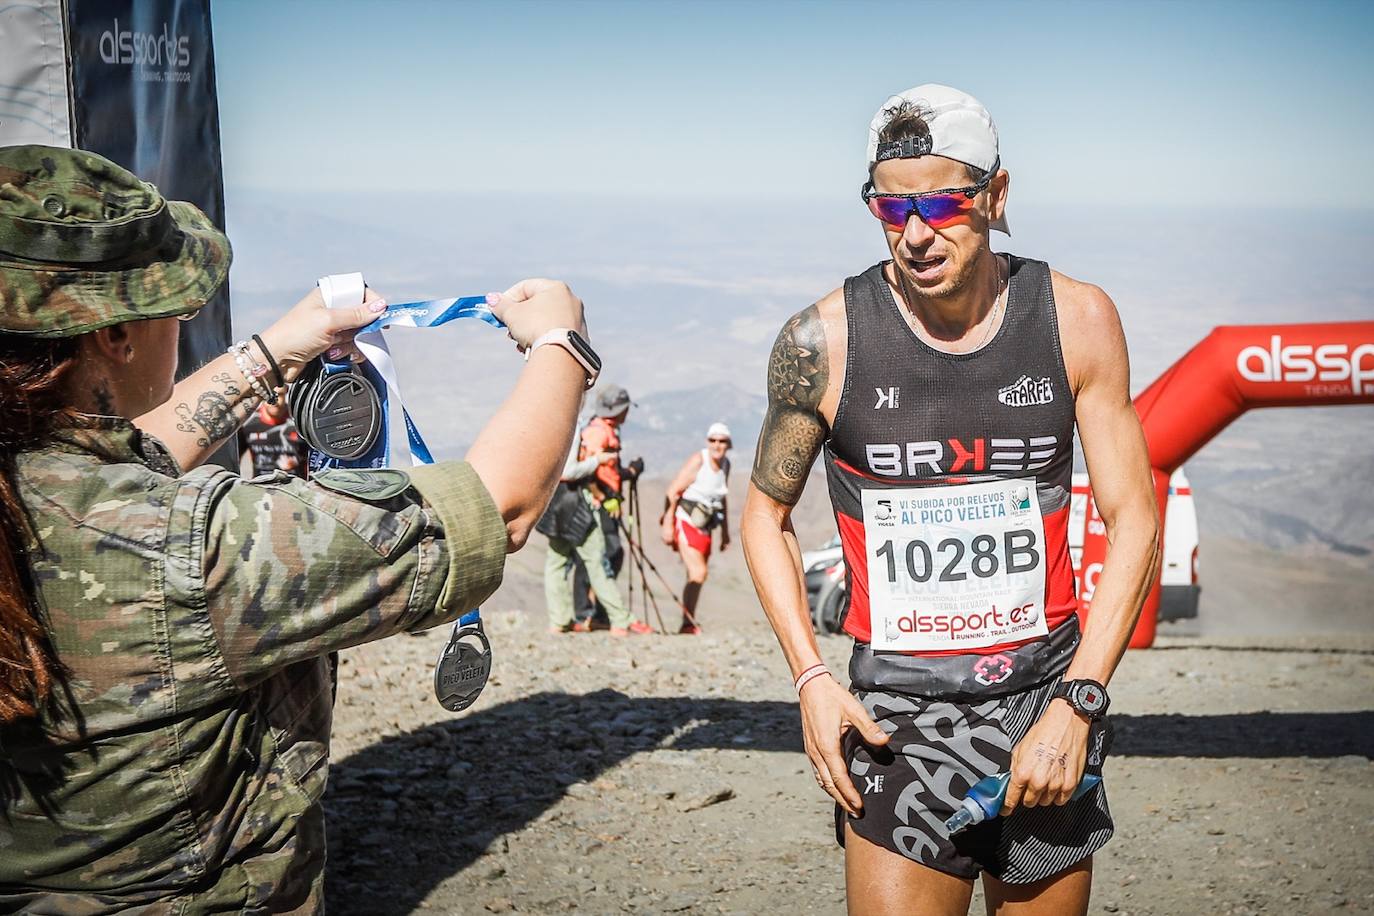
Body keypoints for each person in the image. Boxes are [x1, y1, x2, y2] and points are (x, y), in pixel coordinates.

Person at [0, 146, 597, 911]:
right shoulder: (192, 549)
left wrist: (280, 347)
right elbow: (497, 508)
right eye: (176, 309)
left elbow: (136, 456)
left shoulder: (38, 478)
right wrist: (561, 344)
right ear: (114, 339)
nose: (183, 326)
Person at [739, 86, 1160, 916]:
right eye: (891, 208)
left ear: (998, 196)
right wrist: (811, 679)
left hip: (1045, 701)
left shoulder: (1076, 318)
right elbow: (763, 515)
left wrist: (1080, 702)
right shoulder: (820, 341)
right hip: (896, 715)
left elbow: (1136, 517)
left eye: (942, 203)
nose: (916, 232)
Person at [542, 385, 651, 636]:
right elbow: (570, 471)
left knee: (557, 563)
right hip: (576, 504)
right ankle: (618, 619)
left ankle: (559, 620)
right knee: (596, 559)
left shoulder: (561, 424)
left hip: (556, 505)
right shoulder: (581, 429)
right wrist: (598, 462)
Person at [660, 422, 733, 634]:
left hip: (707, 525)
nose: (717, 445)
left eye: (722, 441)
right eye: (713, 440)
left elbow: (722, 498)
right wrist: (667, 523)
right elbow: (673, 491)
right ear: (707, 442)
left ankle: (688, 620)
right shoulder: (699, 461)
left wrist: (725, 532)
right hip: (687, 521)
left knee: (696, 575)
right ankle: (687, 621)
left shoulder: (726, 465)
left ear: (728, 444)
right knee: (698, 572)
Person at [238, 397, 309, 478]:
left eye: (279, 395)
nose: (274, 401)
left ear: (286, 391)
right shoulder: (248, 424)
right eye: (268, 395)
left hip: (295, 486)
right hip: (261, 486)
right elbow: (234, 461)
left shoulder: (300, 423)